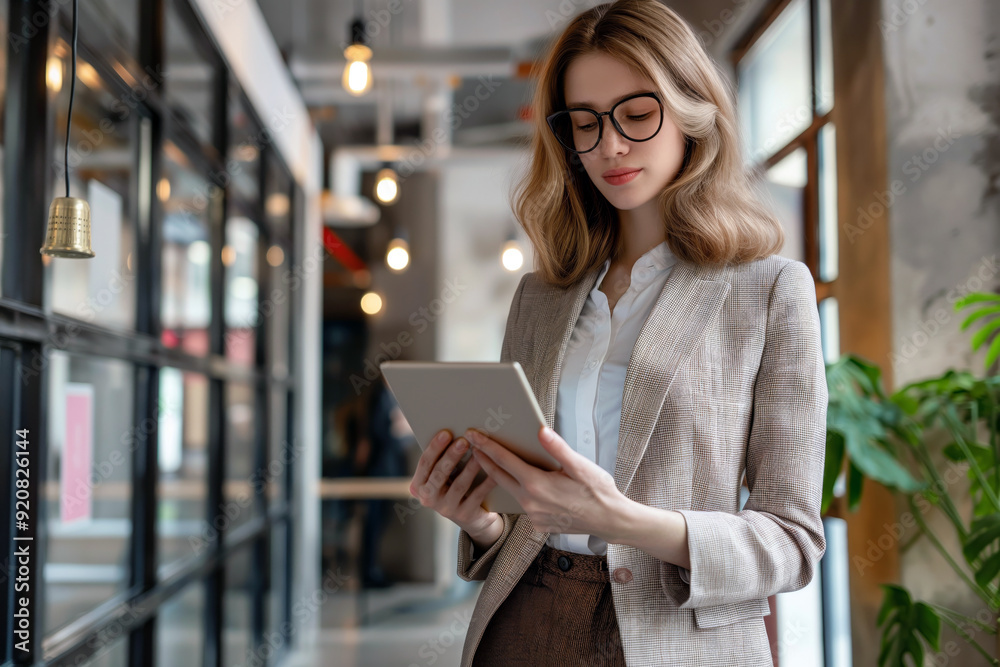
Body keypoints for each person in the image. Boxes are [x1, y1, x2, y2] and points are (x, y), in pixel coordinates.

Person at [408, 1, 827, 665]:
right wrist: (479, 518)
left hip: (679, 636)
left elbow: (792, 540)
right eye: (585, 123)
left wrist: (621, 519)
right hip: (526, 620)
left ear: (693, 111)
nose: (609, 145)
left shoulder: (769, 290)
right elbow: (523, 512)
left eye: (636, 115)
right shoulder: (541, 298)